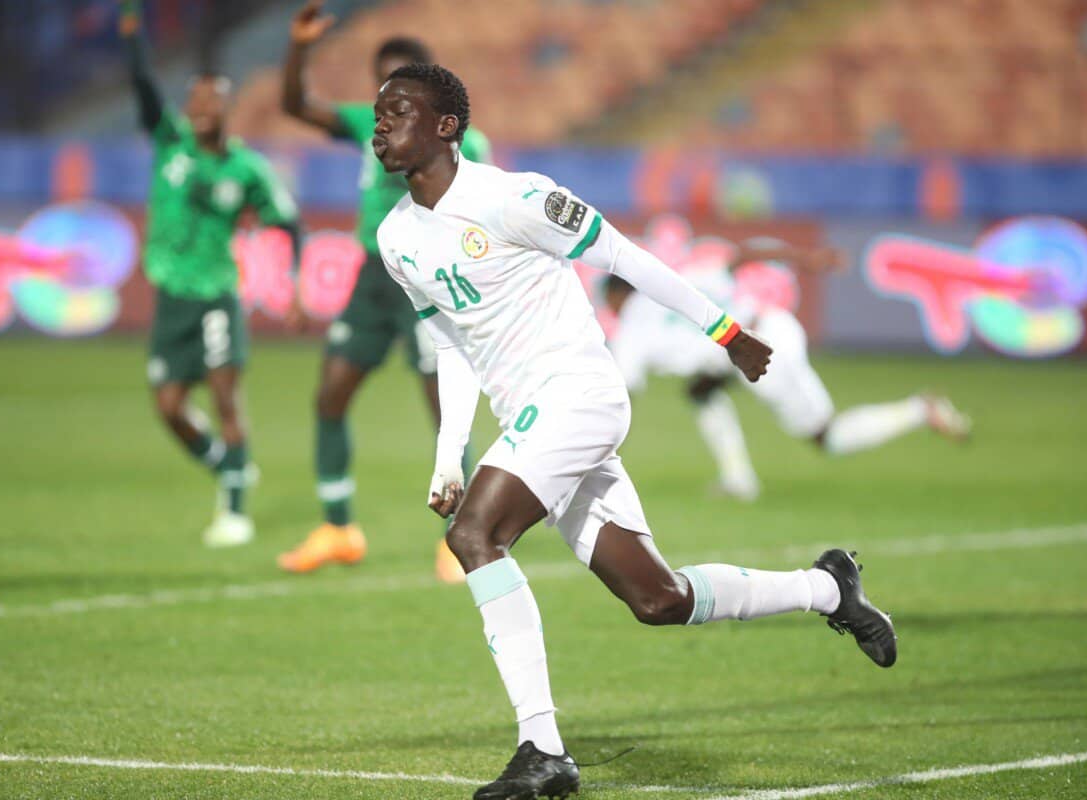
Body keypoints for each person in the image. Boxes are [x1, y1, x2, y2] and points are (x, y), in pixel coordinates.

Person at [371, 63, 898, 800]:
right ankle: (828, 588)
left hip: (577, 395)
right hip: (532, 419)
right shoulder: (396, 236)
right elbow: (451, 343)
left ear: (445, 126)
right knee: (659, 600)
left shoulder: (514, 198)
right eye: (377, 114)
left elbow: (622, 254)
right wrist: (447, 454)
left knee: (474, 536)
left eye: (397, 111)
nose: (380, 126)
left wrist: (725, 331)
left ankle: (542, 749)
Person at [275, 0, 492, 582]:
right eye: (382, 87)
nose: (387, 102)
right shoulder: (367, 127)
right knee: (330, 395)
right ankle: (338, 529)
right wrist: (299, 47)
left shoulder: (467, 145)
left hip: (429, 279)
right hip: (374, 276)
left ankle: (461, 535)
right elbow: (296, 106)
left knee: (445, 410)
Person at [120, 0, 301, 546]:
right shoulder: (170, 143)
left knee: (226, 398)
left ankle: (235, 513)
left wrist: (292, 285)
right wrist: (132, 36)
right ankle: (229, 465)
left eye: (211, 101)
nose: (200, 110)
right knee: (169, 408)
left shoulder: (245, 169)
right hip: (173, 297)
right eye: (194, 101)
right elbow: (143, 87)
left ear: (227, 108)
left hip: (217, 294)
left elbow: (288, 223)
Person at [604, 248, 972, 501]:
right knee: (701, 390)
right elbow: (744, 254)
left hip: (761, 353)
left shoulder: (631, 330)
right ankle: (738, 479)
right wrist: (802, 258)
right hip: (769, 326)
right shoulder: (676, 281)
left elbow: (624, 396)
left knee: (828, 437)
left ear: (616, 298)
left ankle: (920, 410)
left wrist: (601, 453)